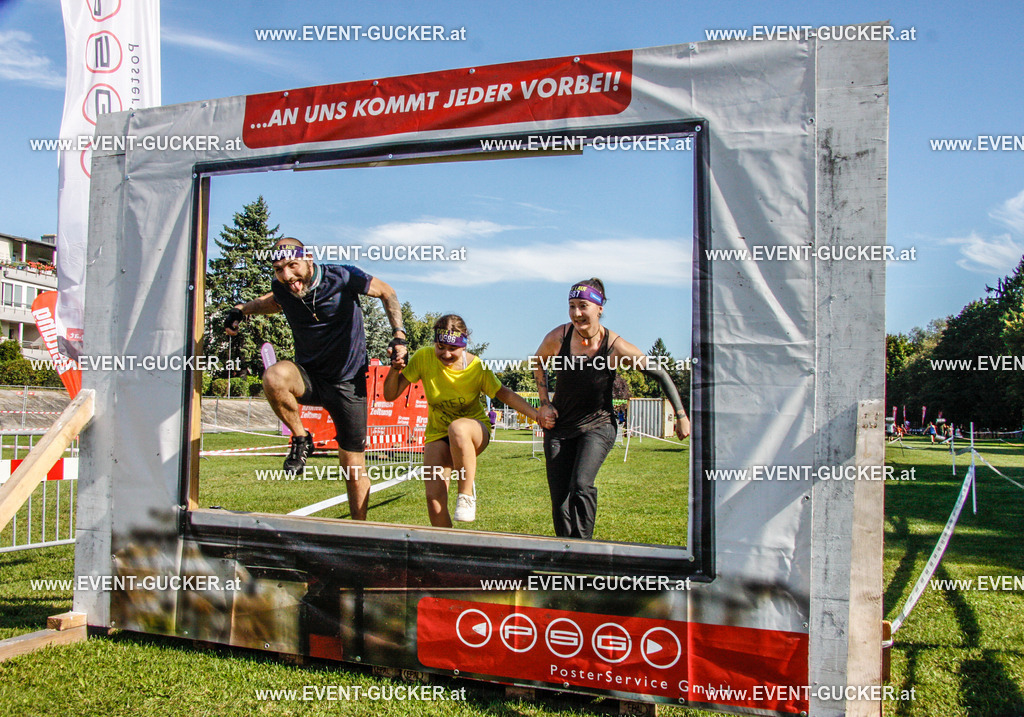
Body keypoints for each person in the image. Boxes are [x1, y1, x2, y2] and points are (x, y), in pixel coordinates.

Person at [223, 237, 408, 520]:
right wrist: (240, 309)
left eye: (292, 266)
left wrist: (399, 335)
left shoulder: (342, 276)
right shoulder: (284, 288)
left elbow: (387, 291)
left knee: (352, 467)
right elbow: (272, 302)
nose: (288, 277)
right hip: (309, 377)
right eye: (278, 270)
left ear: (308, 258)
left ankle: (358, 530)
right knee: (275, 377)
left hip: (348, 384)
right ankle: (301, 437)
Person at [532, 279, 690, 540]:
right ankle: (565, 553)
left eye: (583, 306)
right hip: (560, 428)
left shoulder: (615, 347)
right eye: (571, 306)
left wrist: (681, 416)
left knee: (581, 485)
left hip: (598, 425)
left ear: (599, 309)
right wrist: (545, 403)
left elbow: (660, 373)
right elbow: (538, 362)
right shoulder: (559, 337)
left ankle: (584, 551)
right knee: (560, 499)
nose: (576, 313)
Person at [384, 314, 549, 527]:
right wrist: (394, 369)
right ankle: (446, 549)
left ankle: (466, 495)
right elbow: (390, 394)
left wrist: (536, 415)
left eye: (452, 349)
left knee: (458, 428)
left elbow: (504, 394)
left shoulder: (476, 367)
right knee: (434, 500)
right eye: (440, 346)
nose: (445, 353)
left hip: (474, 432)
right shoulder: (423, 357)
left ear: (464, 346)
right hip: (438, 434)